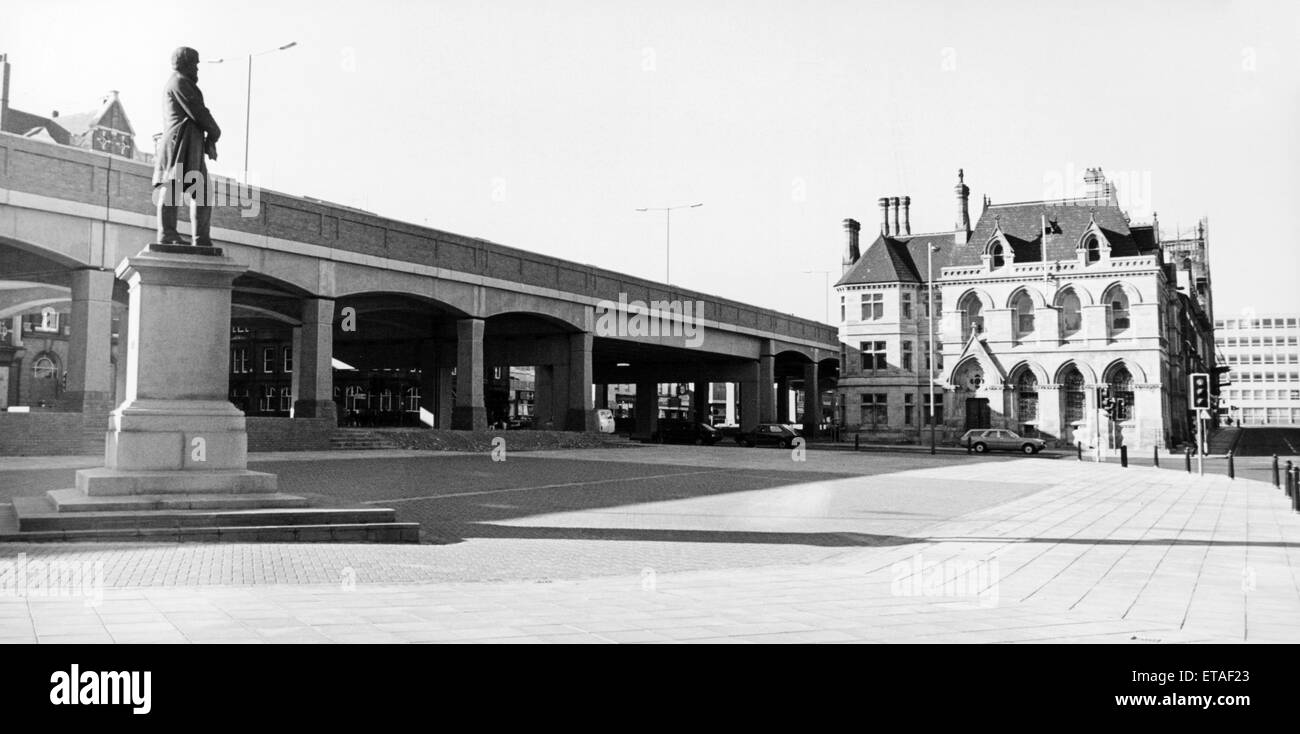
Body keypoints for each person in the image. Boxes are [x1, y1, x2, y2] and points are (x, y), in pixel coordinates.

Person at [153, 46, 221, 246]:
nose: (198, 68)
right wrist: (215, 133)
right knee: (173, 186)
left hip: (190, 144)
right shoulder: (180, 82)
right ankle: (167, 234)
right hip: (179, 144)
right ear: (186, 64)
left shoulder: (181, 82)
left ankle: (201, 239)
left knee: (202, 193)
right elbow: (200, 113)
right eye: (195, 64)